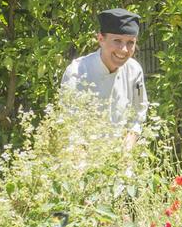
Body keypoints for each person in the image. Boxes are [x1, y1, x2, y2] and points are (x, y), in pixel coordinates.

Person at [59, 8, 148, 147]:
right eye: (117, 41)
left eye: (130, 42)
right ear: (101, 39)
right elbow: (70, 126)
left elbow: (138, 114)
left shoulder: (134, 70)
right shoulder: (77, 72)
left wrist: (126, 148)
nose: (124, 49)